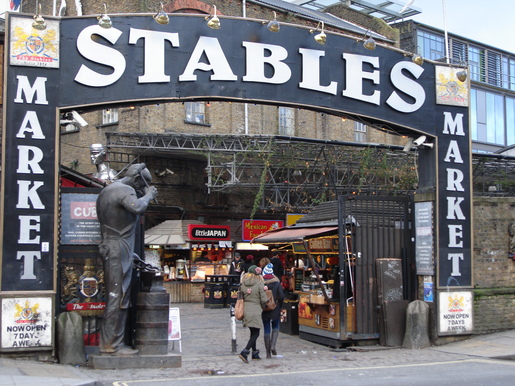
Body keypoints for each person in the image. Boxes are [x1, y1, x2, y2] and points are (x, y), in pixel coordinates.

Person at [96, 163, 158, 355]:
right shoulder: (124, 189)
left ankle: (112, 343)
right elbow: (137, 206)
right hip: (118, 247)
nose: (139, 191)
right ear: (137, 178)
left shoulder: (108, 189)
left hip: (116, 246)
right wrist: (149, 194)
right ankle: (112, 346)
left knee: (118, 296)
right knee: (119, 297)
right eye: (141, 187)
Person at [238, 265, 268, 363]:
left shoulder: (242, 285)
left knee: (252, 332)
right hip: (255, 310)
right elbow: (263, 299)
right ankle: (245, 352)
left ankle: (255, 353)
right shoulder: (260, 284)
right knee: (256, 333)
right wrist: (267, 301)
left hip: (246, 309)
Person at [261, 263, 284, 358]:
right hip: (275, 307)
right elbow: (282, 296)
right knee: (275, 326)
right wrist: (279, 305)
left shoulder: (261, 283)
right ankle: (273, 345)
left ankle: (267, 353)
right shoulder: (277, 283)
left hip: (265, 308)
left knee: (266, 329)